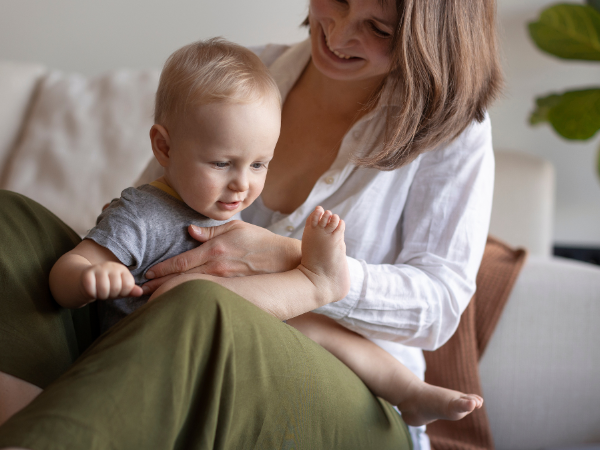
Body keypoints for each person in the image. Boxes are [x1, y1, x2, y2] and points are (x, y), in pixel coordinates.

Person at [0, 1, 502, 449]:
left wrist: (295, 267)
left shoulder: (452, 132)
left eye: (378, 28)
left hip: (358, 394)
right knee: (12, 222)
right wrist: (95, 271)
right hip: (179, 339)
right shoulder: (242, 74)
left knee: (199, 300)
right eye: (340, 1)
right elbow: (152, 209)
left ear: (427, 41)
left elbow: (438, 312)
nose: (340, 33)